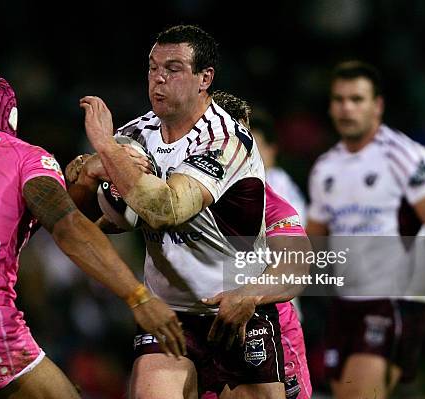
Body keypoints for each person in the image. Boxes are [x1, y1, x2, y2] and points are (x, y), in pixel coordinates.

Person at [0, 72, 185, 399]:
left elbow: (9, 231)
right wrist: (137, 297)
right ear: (12, 115)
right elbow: (66, 227)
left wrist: (84, 183)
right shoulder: (23, 154)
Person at [74, 24, 310, 399]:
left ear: (205, 79)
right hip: (171, 316)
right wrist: (86, 179)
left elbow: (165, 209)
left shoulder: (227, 141)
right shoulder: (135, 136)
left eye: (173, 68)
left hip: (236, 312)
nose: (159, 79)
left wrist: (104, 145)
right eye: (153, 68)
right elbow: (98, 220)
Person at [306, 60, 425, 399]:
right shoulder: (324, 168)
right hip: (345, 303)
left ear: (377, 105)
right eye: (339, 99)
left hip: (394, 300)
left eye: (357, 99)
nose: (346, 108)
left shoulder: (407, 156)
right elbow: (309, 242)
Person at [211, 90, 312, 399]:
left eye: (246, 142)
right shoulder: (182, 187)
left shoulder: (273, 191)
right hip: (204, 325)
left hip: (271, 321)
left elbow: (297, 264)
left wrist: (248, 294)